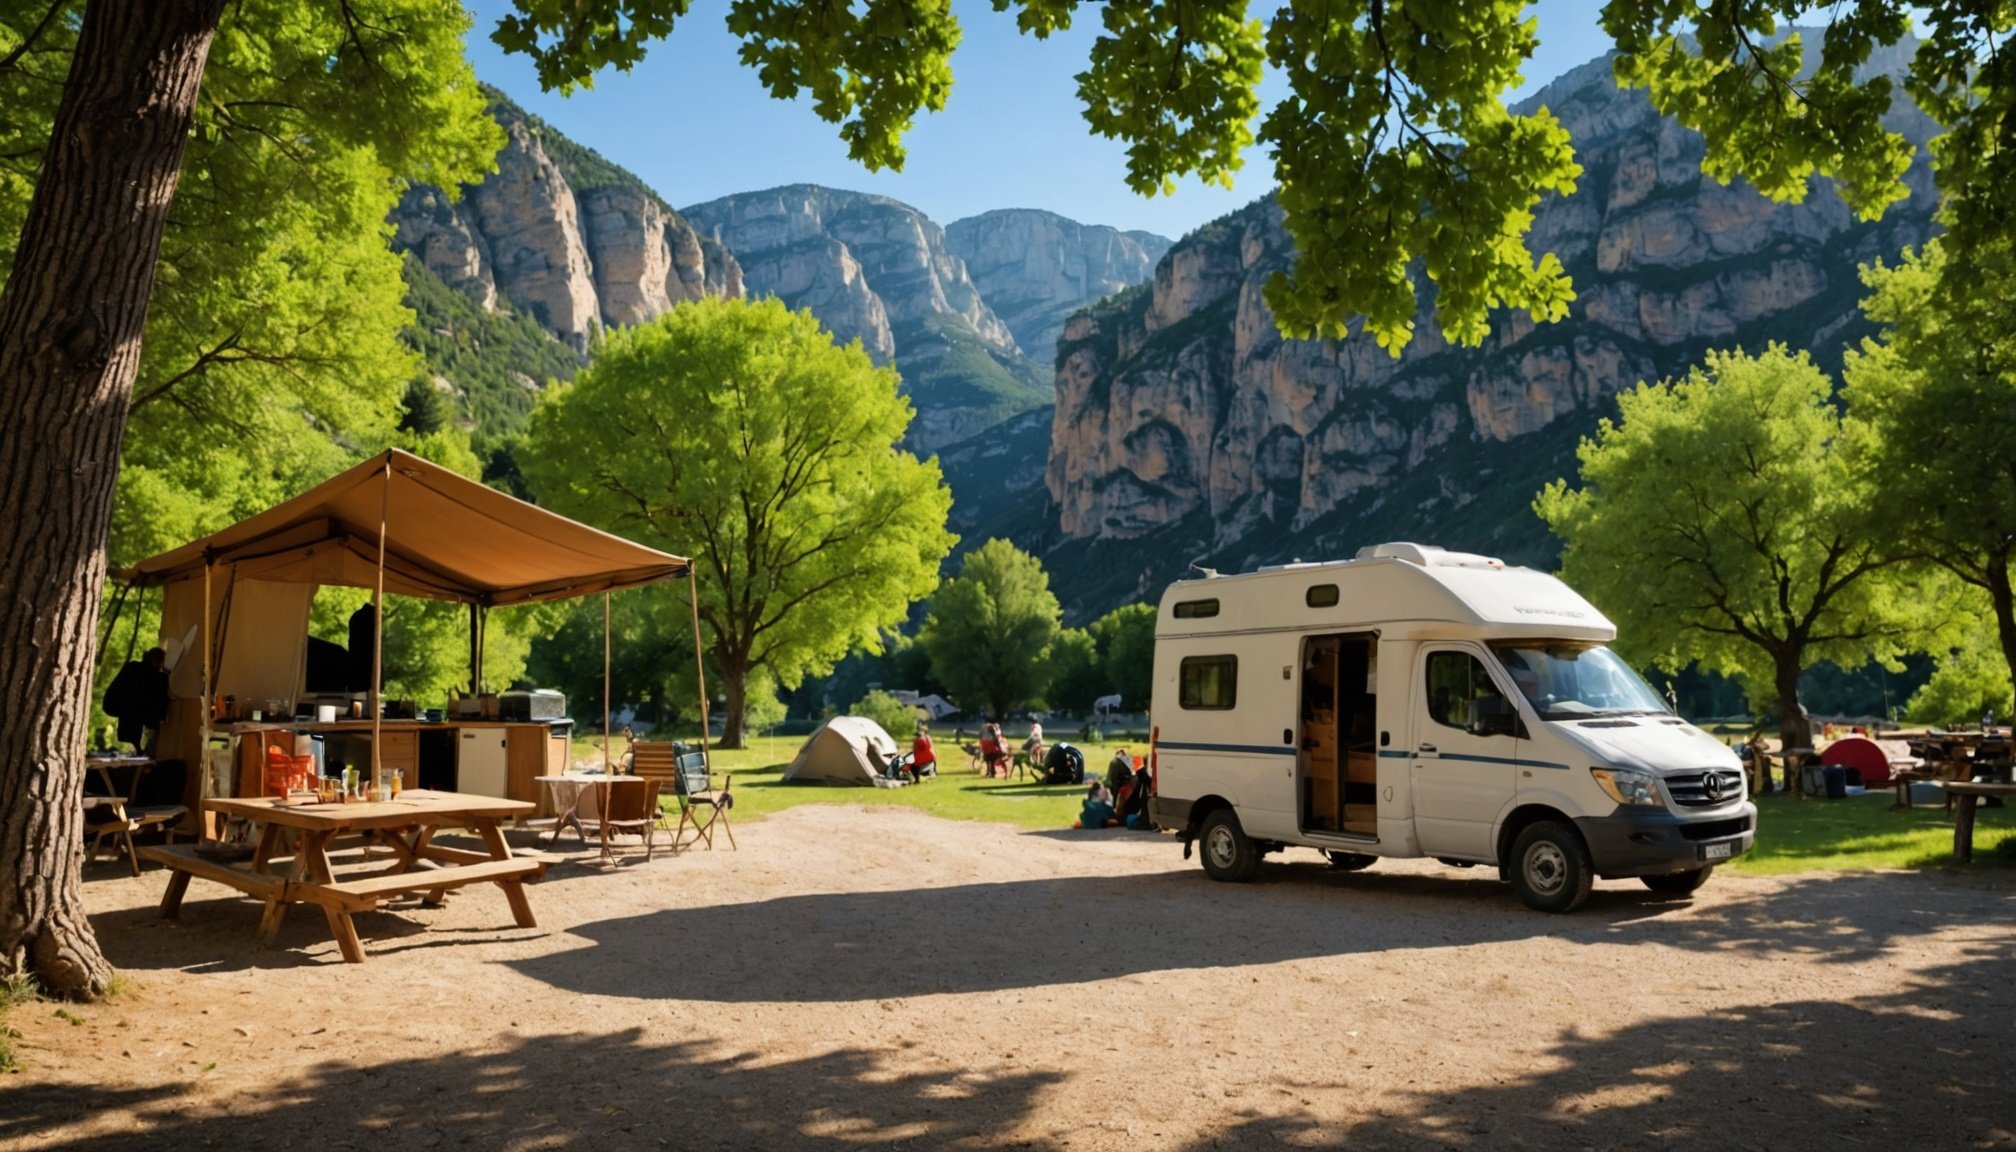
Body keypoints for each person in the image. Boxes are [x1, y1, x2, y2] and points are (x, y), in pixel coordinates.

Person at [103, 646, 171, 753]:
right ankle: (138, 747)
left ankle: (137, 746)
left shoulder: (134, 668)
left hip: (120, 707)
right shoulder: (153, 676)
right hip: (122, 707)